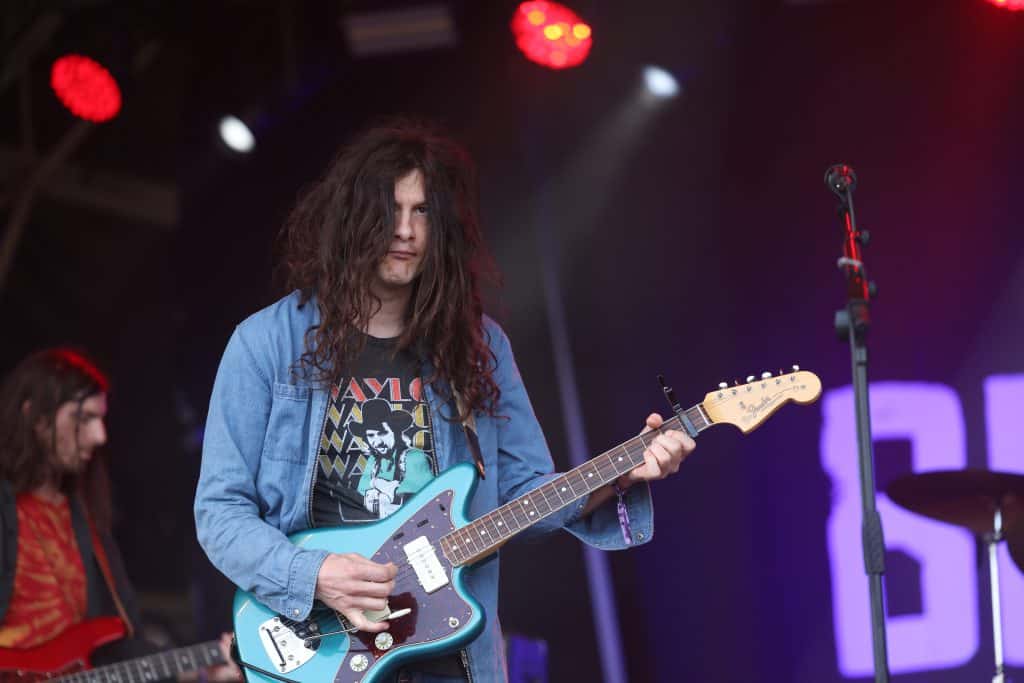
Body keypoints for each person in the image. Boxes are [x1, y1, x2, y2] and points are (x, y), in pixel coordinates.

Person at [194, 121, 695, 682]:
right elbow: (220, 513)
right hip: (319, 650)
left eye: (422, 212)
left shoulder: (479, 349)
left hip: (450, 659)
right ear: (351, 218)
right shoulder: (266, 343)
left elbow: (525, 496)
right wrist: (313, 574)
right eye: (389, 211)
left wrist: (622, 473)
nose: (405, 230)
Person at [0, 348, 238, 682]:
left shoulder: (86, 520)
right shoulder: (9, 511)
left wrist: (202, 673)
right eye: (84, 419)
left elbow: (122, 650)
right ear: (36, 417)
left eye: (100, 419)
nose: (100, 436)